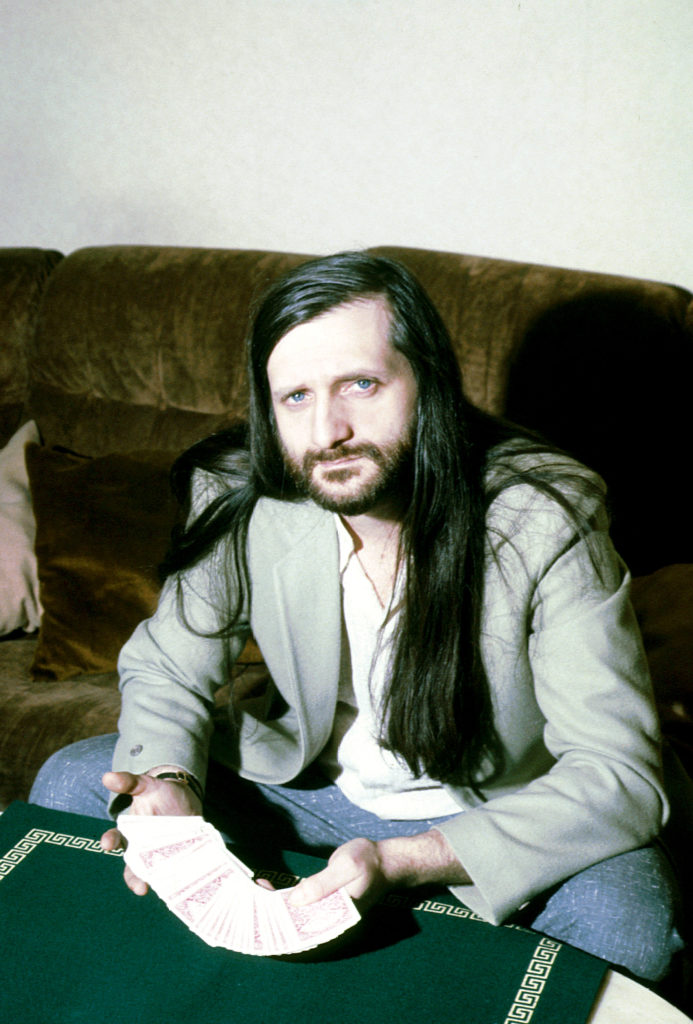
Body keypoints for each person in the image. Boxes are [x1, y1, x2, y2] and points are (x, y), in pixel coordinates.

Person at [31, 252, 684, 985]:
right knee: (72, 783)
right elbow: (167, 666)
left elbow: (616, 772)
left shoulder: (543, 513)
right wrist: (169, 780)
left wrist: (405, 862)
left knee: (626, 925)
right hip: (312, 789)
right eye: (295, 398)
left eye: (361, 385)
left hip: (496, 812)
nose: (328, 430)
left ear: (428, 381)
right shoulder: (241, 491)